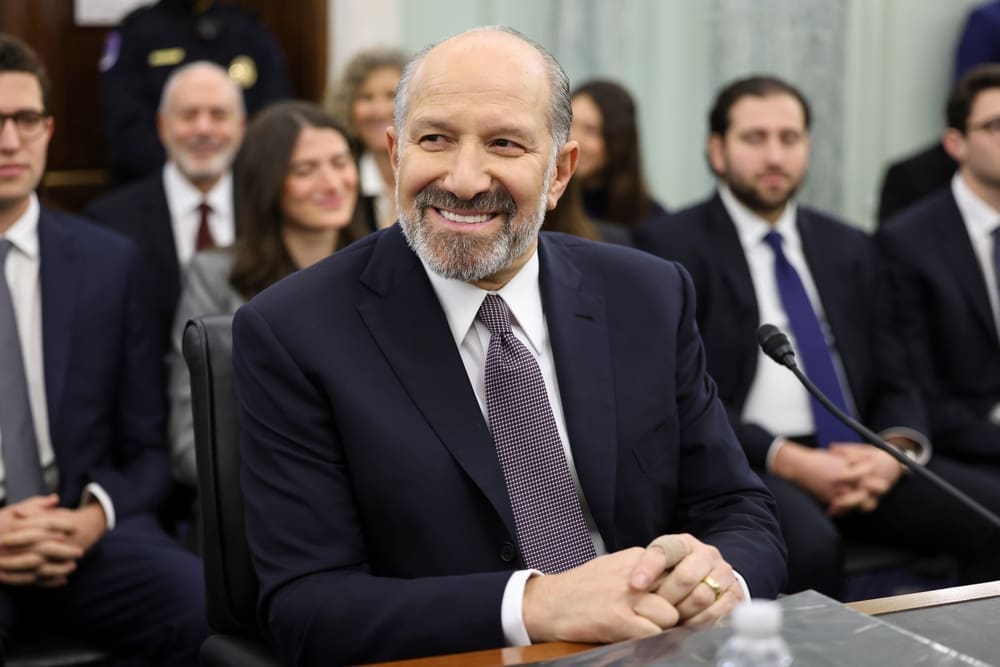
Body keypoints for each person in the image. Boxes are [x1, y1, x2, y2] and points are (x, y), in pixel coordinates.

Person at [233, 26, 786, 666]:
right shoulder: (294, 331)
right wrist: (537, 605)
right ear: (393, 154)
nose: (465, 180)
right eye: (434, 139)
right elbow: (306, 609)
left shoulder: (648, 295)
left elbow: (738, 507)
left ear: (560, 172)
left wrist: (715, 583)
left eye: (504, 144)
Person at [635, 75, 1000, 599]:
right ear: (717, 151)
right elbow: (679, 395)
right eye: (755, 138)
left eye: (790, 138)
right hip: (757, 460)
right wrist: (790, 459)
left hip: (863, 455)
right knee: (809, 546)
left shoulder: (848, 245)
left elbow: (899, 372)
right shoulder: (669, 246)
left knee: (990, 515)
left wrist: (893, 448)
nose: (775, 155)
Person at [0, 33, 208, 661]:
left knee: (207, 610)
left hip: (88, 536)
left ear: (48, 129)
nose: (9, 141)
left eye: (25, 119)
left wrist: (92, 517)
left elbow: (147, 449)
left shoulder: (108, 263)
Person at [167, 100, 364, 490]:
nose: (332, 183)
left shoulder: (385, 271)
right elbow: (190, 445)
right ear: (269, 183)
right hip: (258, 505)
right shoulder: (215, 275)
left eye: (341, 162)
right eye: (305, 170)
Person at [878, 64, 1000, 467]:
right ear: (955, 143)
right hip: (964, 450)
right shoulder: (907, 242)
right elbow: (914, 389)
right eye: (995, 126)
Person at [85, 60, 246, 365]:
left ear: (242, 126)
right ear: (162, 126)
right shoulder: (110, 221)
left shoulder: (266, 210)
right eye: (188, 115)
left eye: (218, 115)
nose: (203, 129)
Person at [99, 0, 289, 184]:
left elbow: (274, 118)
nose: (203, 129)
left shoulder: (248, 31)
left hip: (241, 188)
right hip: (154, 188)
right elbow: (126, 126)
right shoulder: (138, 32)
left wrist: (224, 181)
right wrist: (186, 179)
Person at [326, 47, 408, 233]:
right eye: (366, 97)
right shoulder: (339, 183)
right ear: (347, 106)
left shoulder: (435, 176)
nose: (379, 110)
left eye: (391, 96)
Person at [569, 79, 669, 229]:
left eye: (591, 130)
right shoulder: (542, 205)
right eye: (567, 124)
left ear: (618, 141)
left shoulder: (651, 221)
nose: (572, 138)